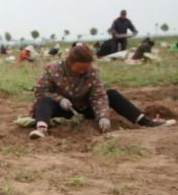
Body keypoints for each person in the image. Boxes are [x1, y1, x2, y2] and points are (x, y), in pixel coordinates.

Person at [29, 44, 174, 139]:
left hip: (82, 109)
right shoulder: (53, 69)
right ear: (69, 63)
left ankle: (145, 121)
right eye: (80, 69)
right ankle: (42, 128)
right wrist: (59, 99)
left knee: (111, 94)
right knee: (43, 100)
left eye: (86, 69)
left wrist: (103, 116)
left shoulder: (92, 73)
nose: (83, 72)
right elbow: (41, 91)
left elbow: (98, 96)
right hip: (60, 109)